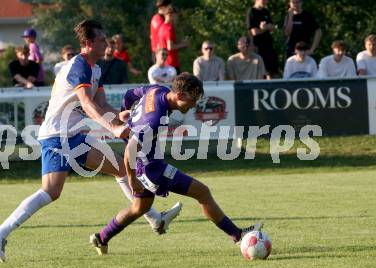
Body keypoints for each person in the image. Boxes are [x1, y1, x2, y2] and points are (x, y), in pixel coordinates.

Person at [0, 20, 181, 263]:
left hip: (75, 136)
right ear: (88, 44)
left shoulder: (95, 68)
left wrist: (123, 119)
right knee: (51, 191)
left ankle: (154, 218)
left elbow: (101, 105)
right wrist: (113, 128)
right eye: (102, 40)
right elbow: (87, 105)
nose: (107, 44)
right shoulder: (78, 66)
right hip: (57, 136)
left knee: (121, 168)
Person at [89, 73, 263, 255]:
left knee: (139, 208)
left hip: (144, 163)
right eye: (192, 100)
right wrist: (132, 180)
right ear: (179, 96)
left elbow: (131, 94)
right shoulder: (154, 119)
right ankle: (238, 235)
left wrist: (126, 113)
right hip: (151, 168)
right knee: (203, 193)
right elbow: (130, 149)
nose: (194, 104)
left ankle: (102, 237)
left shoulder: (158, 90)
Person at [246, 0, 279, 78]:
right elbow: (253, 32)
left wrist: (267, 27)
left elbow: (272, 27)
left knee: (271, 71)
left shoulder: (266, 11)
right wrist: (264, 29)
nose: (265, 1)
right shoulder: (251, 11)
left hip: (268, 45)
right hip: (257, 47)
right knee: (260, 72)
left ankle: (270, 88)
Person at [157, 5, 188, 73]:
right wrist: (183, 44)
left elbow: (158, 46)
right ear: (170, 15)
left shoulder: (161, 28)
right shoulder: (169, 29)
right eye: (176, 16)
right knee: (178, 83)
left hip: (164, 64)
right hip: (172, 65)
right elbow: (170, 47)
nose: (177, 18)